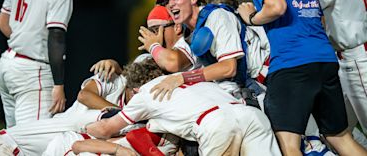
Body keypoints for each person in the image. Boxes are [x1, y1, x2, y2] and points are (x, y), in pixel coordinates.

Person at [237, 0, 367, 155]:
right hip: (326, 60)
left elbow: (277, 7)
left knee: (290, 146)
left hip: (294, 63)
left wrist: (251, 17)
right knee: (341, 139)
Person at [0, 58, 178, 156]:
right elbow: (84, 95)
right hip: (5, 148)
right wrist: (123, 114)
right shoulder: (112, 83)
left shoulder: (135, 112)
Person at [82, 72, 281, 155]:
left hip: (216, 123)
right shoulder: (192, 81)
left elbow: (106, 129)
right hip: (250, 115)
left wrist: (85, 126)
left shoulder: (144, 93)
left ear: (135, 88)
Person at [0, 0, 73, 127]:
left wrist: (22, 41)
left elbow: (2, 23)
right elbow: (56, 37)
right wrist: (58, 84)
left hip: (7, 65)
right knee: (35, 142)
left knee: (13, 140)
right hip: (31, 72)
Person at [294, 0, 367, 137]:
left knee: (339, 135)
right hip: (352, 59)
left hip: (357, 61)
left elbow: (304, 17)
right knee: (336, 135)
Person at [149, 0, 246, 101]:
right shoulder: (188, 32)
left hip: (262, 80)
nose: (170, 4)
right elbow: (173, 63)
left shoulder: (217, 16)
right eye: (167, 1)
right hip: (240, 86)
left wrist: (183, 77)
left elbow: (229, 68)